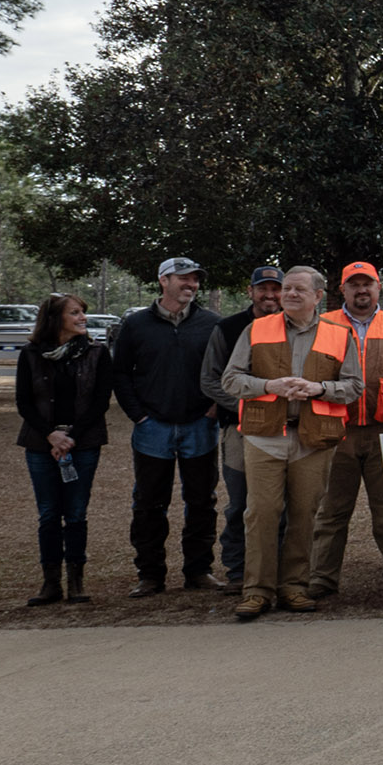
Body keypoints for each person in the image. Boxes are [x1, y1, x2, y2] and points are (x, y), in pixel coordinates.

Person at [216, 268, 362, 621]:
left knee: (303, 514)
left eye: (299, 289)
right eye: (287, 289)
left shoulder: (340, 335)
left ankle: (294, 587)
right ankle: (257, 591)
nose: (290, 294)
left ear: (318, 296)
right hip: (264, 436)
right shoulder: (257, 329)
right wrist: (270, 386)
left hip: (314, 439)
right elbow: (231, 379)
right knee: (261, 513)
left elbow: (355, 386)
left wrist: (319, 389)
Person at [113, 256, 223, 597]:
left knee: (202, 502)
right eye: (183, 278)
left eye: (195, 279)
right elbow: (120, 374)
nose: (191, 284)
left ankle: (198, 571)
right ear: (163, 281)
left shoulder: (211, 324)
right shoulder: (135, 325)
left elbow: (225, 372)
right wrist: (139, 416)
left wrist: (212, 410)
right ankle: (150, 574)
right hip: (153, 428)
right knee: (148, 504)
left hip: (199, 426)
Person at [308, 263, 383, 603]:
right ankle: (322, 577)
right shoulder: (324, 324)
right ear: (342, 290)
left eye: (367, 284)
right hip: (337, 429)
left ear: (378, 287)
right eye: (353, 285)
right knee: (331, 511)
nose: (361, 290)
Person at [17, 293, 114, 608]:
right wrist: (51, 435)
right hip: (40, 443)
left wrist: (71, 437)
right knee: (48, 514)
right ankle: (50, 584)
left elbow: (101, 401)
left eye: (82, 312)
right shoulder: (31, 354)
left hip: (82, 444)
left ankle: (76, 582)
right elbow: (24, 402)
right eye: (75, 313)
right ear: (55, 318)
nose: (82, 317)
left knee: (75, 513)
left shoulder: (98, 353)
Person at [199, 265, 283, 596]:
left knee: (283, 504)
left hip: (284, 430)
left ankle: (278, 569)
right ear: (250, 292)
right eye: (263, 288)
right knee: (241, 503)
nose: (270, 295)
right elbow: (210, 379)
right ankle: (237, 569)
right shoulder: (229, 328)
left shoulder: (295, 327)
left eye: (275, 288)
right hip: (240, 428)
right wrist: (249, 406)